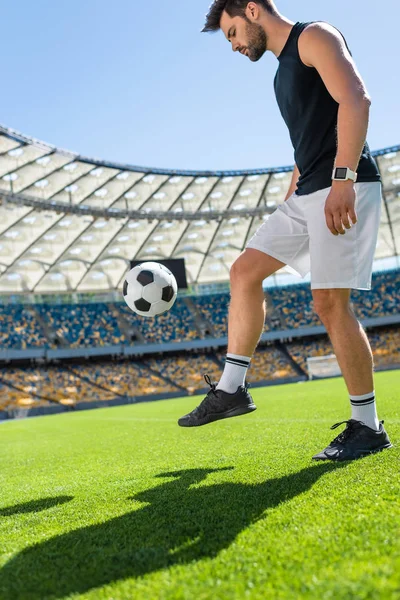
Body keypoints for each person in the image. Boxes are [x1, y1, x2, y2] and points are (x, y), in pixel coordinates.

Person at [178, 0, 392, 461]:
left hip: (343, 184)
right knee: (244, 271)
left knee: (330, 304)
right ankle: (232, 389)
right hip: (308, 191)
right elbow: (305, 143)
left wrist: (343, 180)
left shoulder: (314, 35)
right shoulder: (280, 74)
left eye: (232, 33)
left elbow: (356, 98)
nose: (233, 45)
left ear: (252, 11)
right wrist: (290, 198)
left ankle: (367, 425)